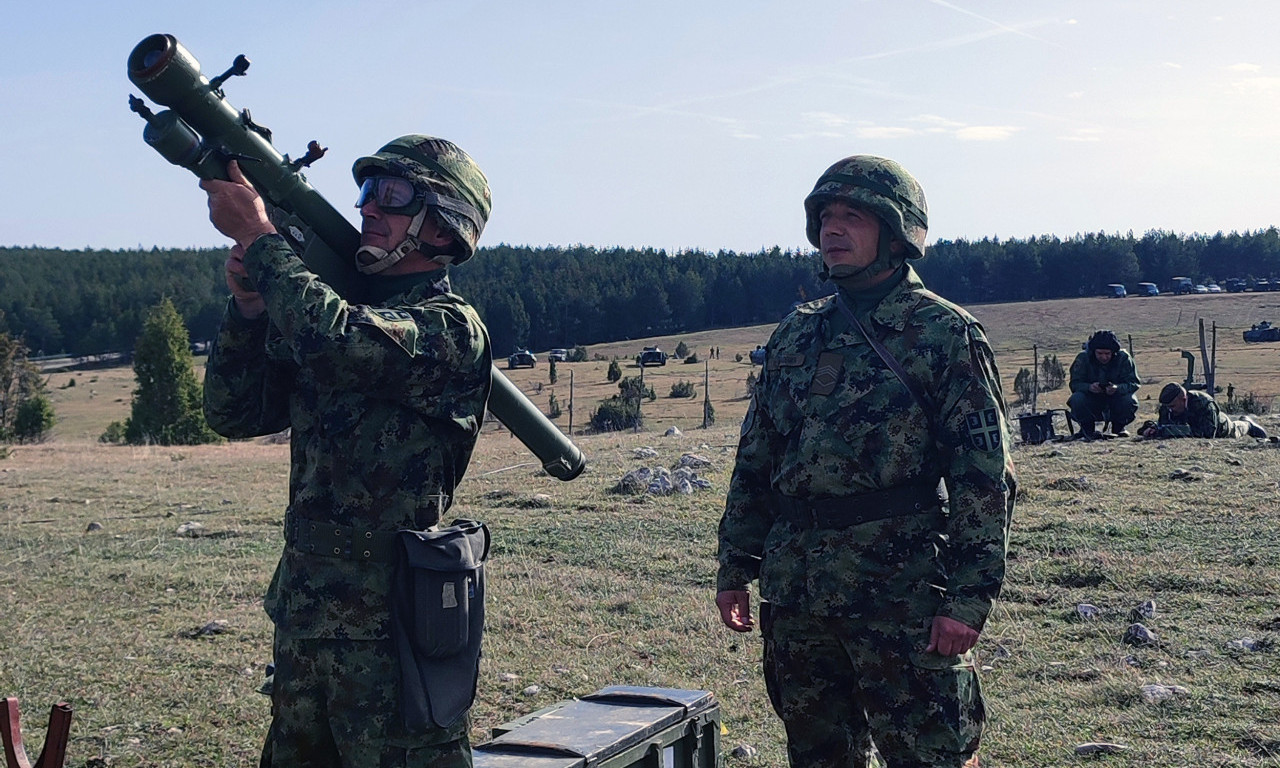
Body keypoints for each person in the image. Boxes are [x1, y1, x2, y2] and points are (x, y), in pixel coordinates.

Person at [200, 135, 493, 768]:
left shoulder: (449, 328)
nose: (367, 209)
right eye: (366, 193)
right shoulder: (335, 316)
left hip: (393, 632)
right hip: (308, 617)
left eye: (392, 197)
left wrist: (261, 239)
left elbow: (336, 343)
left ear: (443, 231)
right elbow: (233, 412)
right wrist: (250, 306)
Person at [715, 156, 1016, 768]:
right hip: (797, 589)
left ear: (896, 229)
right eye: (826, 216)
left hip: (899, 589)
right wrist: (734, 567)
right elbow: (757, 458)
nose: (833, 228)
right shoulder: (796, 335)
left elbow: (983, 477)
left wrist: (966, 599)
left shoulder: (943, 334)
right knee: (820, 753)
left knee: (931, 755)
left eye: (852, 215)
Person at [1067, 330, 1140, 438]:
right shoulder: (1083, 358)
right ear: (1093, 351)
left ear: (1113, 352)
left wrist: (1117, 388)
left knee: (1130, 400)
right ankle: (1087, 430)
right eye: (1100, 353)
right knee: (1076, 399)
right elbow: (1075, 383)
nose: (1104, 357)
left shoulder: (1124, 358)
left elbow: (1133, 383)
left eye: (1107, 353)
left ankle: (1119, 428)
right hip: (1091, 399)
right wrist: (1089, 387)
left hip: (1116, 399)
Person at [1139, 382, 1268, 439]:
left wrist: (1167, 431)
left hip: (1222, 428)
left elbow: (1207, 433)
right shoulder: (1168, 406)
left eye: (1172, 406)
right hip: (1195, 426)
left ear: (1183, 399)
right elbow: (1162, 425)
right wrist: (1151, 429)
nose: (1169, 411)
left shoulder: (1204, 403)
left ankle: (1247, 423)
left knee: (1236, 429)